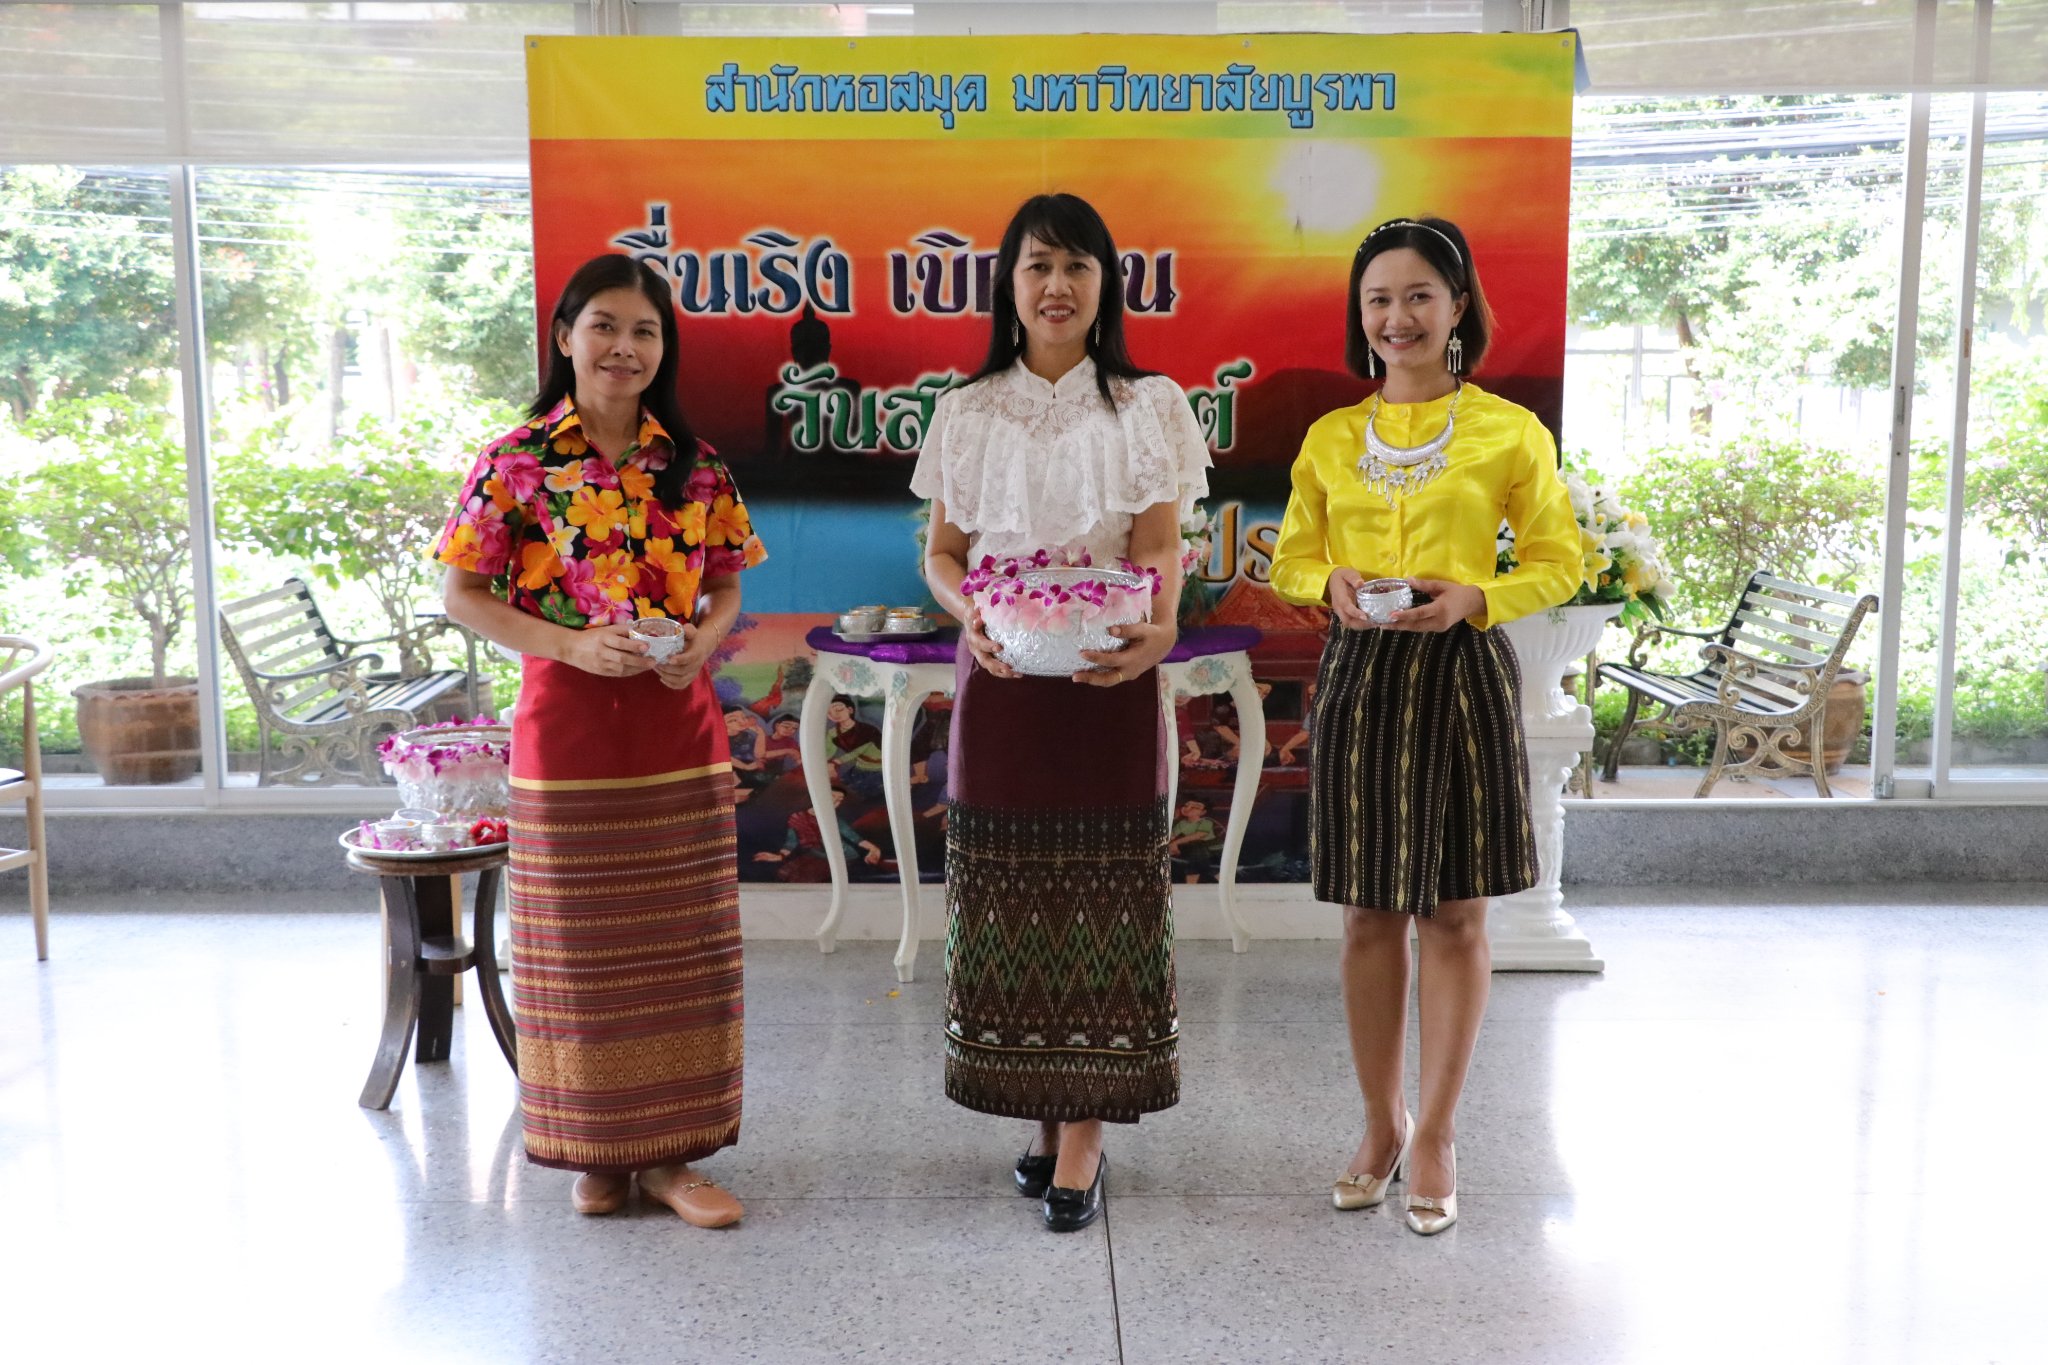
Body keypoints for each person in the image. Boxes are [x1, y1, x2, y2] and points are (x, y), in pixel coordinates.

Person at [435, 253, 767, 1227]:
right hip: (567, 734)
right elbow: (462, 595)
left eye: (645, 331)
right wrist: (573, 646)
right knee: (578, 951)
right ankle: (598, 1151)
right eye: (606, 326)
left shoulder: (694, 465)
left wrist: (701, 641)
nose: (625, 347)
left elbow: (725, 587)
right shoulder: (515, 460)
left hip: (677, 728)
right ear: (566, 337)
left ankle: (671, 1158)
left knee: (677, 948)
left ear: (664, 348)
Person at [1269, 216, 1579, 1236]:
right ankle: (1380, 1124)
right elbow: (1291, 559)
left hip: (1461, 674)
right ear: (1358, 316)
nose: (1395, 316)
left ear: (1455, 309)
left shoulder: (1508, 432)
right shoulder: (1331, 437)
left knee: (1454, 914)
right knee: (1367, 915)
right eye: (1377, 299)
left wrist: (1476, 596)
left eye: (1416, 296)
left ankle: (1438, 1132)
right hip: (1362, 676)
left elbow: (1559, 561)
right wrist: (1329, 581)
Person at [914, 192, 1210, 1233]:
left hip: (1106, 680)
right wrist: (970, 613)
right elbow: (943, 556)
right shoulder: (966, 411)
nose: (1056, 286)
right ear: (1008, 282)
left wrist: (1159, 630)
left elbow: (1158, 545)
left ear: (1105, 285)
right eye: (1038, 265)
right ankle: (1040, 1111)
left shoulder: (1148, 404)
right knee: (1008, 893)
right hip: (1000, 680)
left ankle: (1085, 1128)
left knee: (1103, 893)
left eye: (1078, 266)